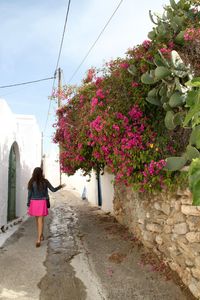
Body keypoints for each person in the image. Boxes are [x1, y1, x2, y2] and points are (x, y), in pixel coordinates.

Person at [27, 167, 65, 248]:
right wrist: (60, 186)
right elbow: (53, 190)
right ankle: (40, 237)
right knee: (40, 220)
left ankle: (39, 238)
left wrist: (28, 203)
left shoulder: (31, 181)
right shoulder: (45, 181)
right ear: (41, 173)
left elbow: (29, 194)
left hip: (34, 202)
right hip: (42, 202)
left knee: (38, 220)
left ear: (34, 173)